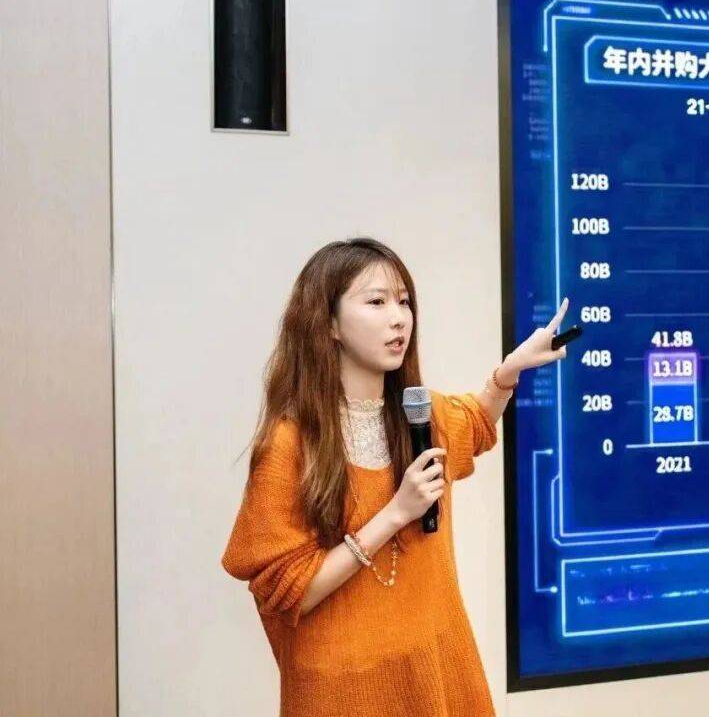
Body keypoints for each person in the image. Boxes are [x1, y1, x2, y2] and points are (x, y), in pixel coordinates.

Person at [221, 237, 569, 716]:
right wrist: (395, 513)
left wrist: (509, 372)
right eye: (377, 302)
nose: (399, 318)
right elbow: (289, 591)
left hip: (434, 668)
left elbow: (475, 423)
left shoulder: (421, 413)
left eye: (404, 302)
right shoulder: (291, 441)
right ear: (328, 323)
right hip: (344, 690)